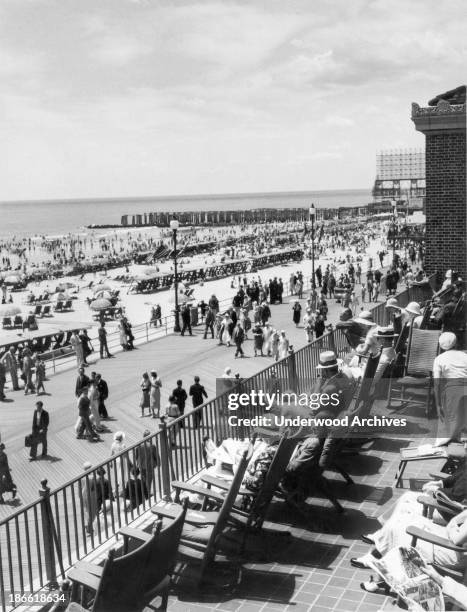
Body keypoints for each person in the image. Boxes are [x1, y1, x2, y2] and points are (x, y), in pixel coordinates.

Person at [433, 332, 467, 443]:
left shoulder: (439, 359)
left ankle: (448, 445)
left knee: (448, 421)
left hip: (452, 392)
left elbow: (437, 383)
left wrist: (438, 405)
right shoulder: (465, 356)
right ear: (456, 343)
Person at [135, 430, 159, 495]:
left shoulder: (139, 445)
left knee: (143, 479)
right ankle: (147, 494)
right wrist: (157, 464)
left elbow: (136, 456)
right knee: (149, 480)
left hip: (141, 465)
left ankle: (143, 493)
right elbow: (156, 456)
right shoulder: (152, 445)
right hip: (149, 466)